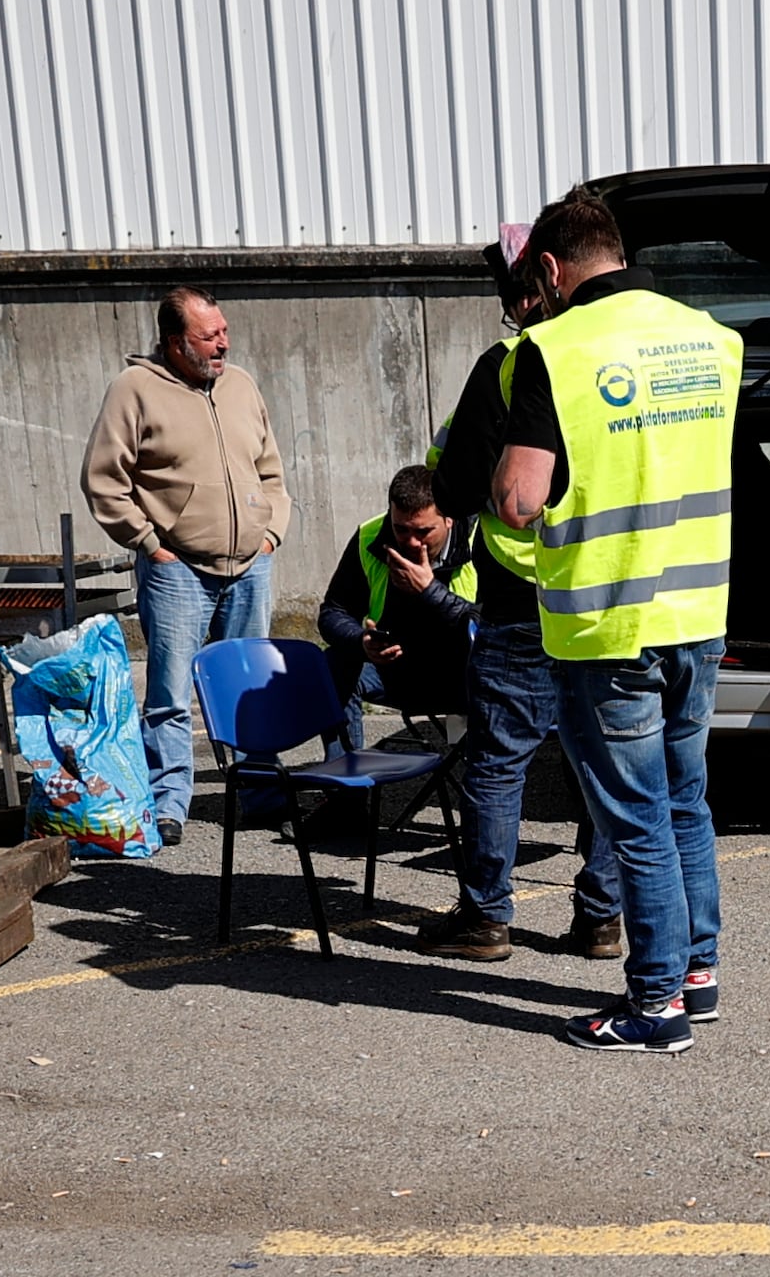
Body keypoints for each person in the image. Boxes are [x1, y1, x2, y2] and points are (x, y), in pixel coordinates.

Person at [482, 188, 742, 1051]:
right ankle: (697, 975)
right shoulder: (712, 340)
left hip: (608, 622)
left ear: (551, 270)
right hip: (698, 611)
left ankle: (656, 1004)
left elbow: (521, 499)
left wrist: (498, 491)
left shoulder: (551, 352)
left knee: (634, 818)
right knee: (686, 800)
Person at [413, 236, 618, 965]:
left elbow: (457, 485)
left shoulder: (507, 366)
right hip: (605, 592)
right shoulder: (614, 362)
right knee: (604, 760)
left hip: (520, 596)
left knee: (500, 764)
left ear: (527, 295)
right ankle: (600, 919)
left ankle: (486, 918)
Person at [77, 284, 288, 845]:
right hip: (178, 569)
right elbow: (103, 481)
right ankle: (169, 802)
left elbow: (271, 471)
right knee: (170, 694)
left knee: (252, 685)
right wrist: (150, 544)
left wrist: (271, 535)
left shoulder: (240, 385)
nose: (223, 343)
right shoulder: (134, 390)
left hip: (250, 564)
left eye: (223, 331)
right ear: (175, 342)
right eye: (209, 335)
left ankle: (260, 792)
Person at [316, 462, 474, 732]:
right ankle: (344, 769)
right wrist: (360, 641)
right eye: (401, 529)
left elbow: (492, 627)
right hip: (396, 674)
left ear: (449, 517)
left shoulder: (479, 540)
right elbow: (333, 612)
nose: (412, 542)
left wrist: (430, 591)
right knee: (333, 664)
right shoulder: (370, 536)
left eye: (424, 532)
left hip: (467, 677)